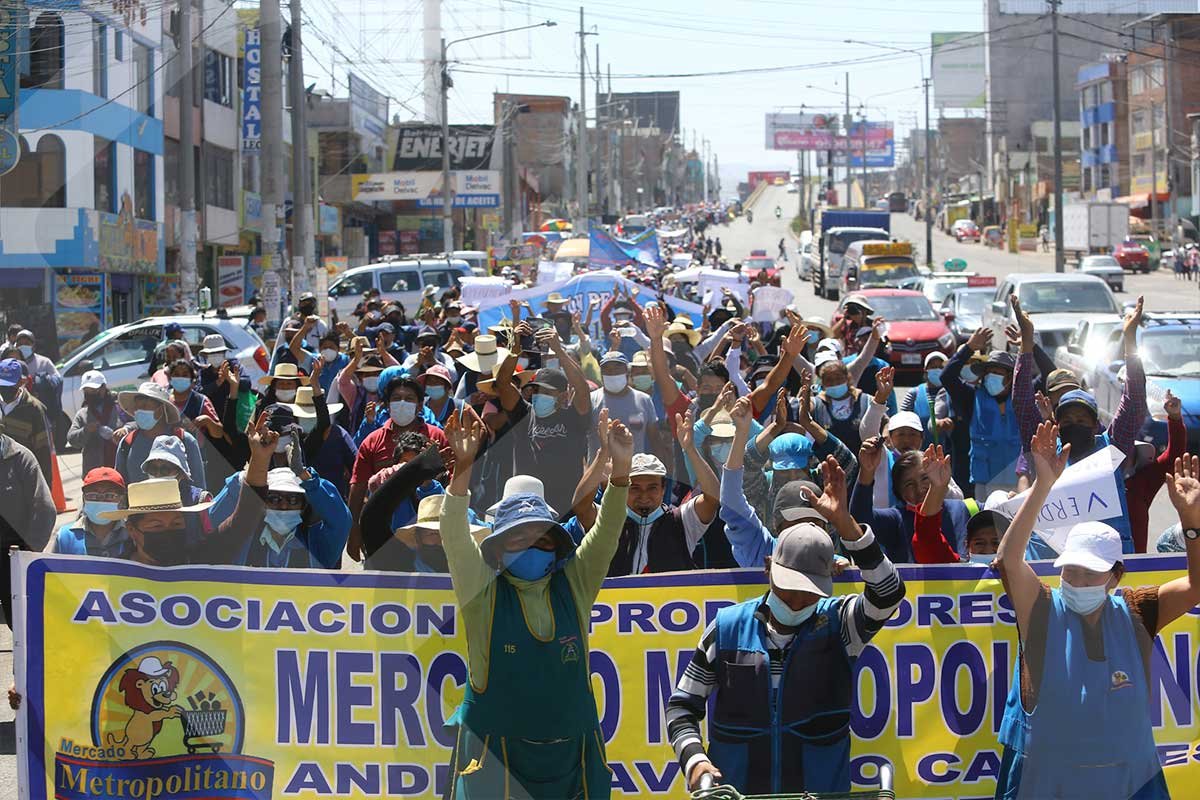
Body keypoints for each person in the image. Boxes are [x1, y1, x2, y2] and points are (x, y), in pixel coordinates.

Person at [667, 456, 906, 794]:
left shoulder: (841, 624)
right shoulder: (726, 628)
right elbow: (682, 707)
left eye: (808, 593)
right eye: (788, 588)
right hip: (738, 794)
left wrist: (846, 524)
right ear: (768, 569)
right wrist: (694, 760)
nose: (795, 601)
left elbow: (889, 592)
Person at [994, 424, 1200, 800]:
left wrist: (1191, 523)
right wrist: (1043, 485)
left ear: (1115, 577)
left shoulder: (1138, 610)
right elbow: (1009, 560)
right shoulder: (1040, 607)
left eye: (1090, 573)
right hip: (1049, 784)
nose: (1077, 580)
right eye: (1070, 571)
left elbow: (1196, 586)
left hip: (1129, 783)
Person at [440, 406, 634, 800]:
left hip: (573, 760)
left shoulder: (574, 585)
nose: (532, 546)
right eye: (519, 538)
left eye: (542, 538)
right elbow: (455, 536)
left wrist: (621, 473)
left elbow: (606, 533)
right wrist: (463, 468)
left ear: (557, 546)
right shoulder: (482, 593)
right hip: (496, 762)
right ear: (498, 549)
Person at [492, 324, 593, 518]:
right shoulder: (523, 415)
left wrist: (559, 351)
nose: (538, 395)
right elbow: (502, 384)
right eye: (536, 390)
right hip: (526, 507)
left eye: (547, 391)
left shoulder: (574, 417)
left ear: (563, 396)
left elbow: (582, 389)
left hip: (567, 509)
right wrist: (514, 351)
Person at [346, 373, 449, 560]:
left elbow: (452, 481)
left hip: (430, 534)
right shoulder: (372, 441)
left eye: (409, 399)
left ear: (420, 406)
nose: (402, 403)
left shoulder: (437, 437)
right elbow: (358, 487)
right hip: (384, 532)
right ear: (387, 405)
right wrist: (354, 533)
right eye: (396, 398)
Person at [943, 329, 1021, 494]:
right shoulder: (972, 398)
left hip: (1019, 481)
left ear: (1010, 379)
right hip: (984, 484)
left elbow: (1046, 375)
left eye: (997, 373)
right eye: (989, 373)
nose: (991, 377)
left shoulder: (1022, 401)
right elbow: (947, 377)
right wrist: (969, 347)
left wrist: (1029, 345)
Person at [0, 421, 56, 623]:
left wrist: (28, 553)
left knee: (20, 621)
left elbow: (45, 509)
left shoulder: (20, 458)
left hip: (12, 555)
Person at [113, 382, 205, 486]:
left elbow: (198, 484)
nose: (139, 411)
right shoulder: (127, 443)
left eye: (145, 406)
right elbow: (119, 486)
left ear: (161, 409)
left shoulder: (185, 440)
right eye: (137, 407)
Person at [50, 467, 131, 558]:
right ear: (84, 499)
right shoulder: (65, 537)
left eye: (110, 496)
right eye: (93, 495)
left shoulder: (133, 534)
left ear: (121, 500)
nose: (101, 501)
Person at [592, 350, 658, 453]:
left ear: (627, 372)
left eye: (617, 369)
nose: (612, 373)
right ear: (601, 374)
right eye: (607, 369)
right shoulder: (592, 399)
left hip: (635, 463)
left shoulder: (644, 400)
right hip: (601, 463)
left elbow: (655, 439)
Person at [0, 358, 54, 483]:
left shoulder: (35, 409)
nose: (4, 389)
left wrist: (44, 487)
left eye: (9, 385)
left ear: (21, 382)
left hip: (21, 479)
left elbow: (43, 453)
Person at [67, 370, 125, 472]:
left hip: (120, 465)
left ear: (103, 388)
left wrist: (125, 429)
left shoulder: (120, 407)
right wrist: (86, 430)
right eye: (86, 391)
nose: (90, 394)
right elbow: (72, 439)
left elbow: (135, 424)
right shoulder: (83, 414)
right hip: (95, 469)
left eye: (93, 391)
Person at [901, 352, 954, 448]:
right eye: (933, 367)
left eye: (941, 367)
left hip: (948, 450)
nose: (937, 370)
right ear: (926, 370)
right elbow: (903, 420)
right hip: (920, 450)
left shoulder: (953, 393)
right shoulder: (914, 393)